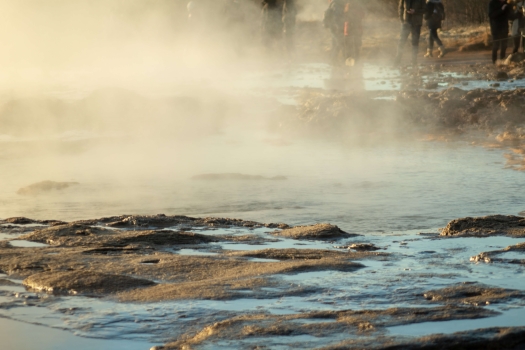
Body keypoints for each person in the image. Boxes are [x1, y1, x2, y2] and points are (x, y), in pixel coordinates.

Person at [393, 0, 426, 66]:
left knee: (415, 42)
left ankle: (414, 61)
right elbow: (401, 8)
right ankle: (397, 60)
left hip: (416, 23)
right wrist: (402, 20)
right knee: (402, 41)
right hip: (406, 22)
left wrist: (415, 11)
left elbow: (425, 9)